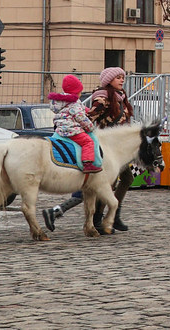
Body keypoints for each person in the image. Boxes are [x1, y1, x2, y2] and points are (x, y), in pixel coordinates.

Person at [43, 67, 134, 232]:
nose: (122, 80)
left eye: (123, 77)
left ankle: (113, 216)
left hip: (118, 147)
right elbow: (90, 115)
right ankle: (98, 219)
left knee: (125, 179)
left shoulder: (120, 96)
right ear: (109, 80)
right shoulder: (103, 96)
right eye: (118, 77)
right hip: (106, 144)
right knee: (102, 184)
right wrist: (88, 127)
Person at [48, 75, 101, 173]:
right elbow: (80, 117)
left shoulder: (61, 101)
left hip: (60, 127)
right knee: (88, 142)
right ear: (76, 92)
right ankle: (87, 164)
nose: (81, 93)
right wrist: (90, 127)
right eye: (80, 91)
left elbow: (80, 109)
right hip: (71, 129)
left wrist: (89, 111)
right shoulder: (74, 103)